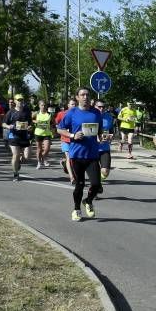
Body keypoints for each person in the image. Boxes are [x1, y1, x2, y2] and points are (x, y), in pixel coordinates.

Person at [56, 88, 103, 222]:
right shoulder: (72, 113)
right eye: (82, 95)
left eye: (87, 95)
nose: (85, 97)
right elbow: (60, 129)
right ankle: (76, 209)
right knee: (80, 185)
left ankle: (88, 201)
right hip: (77, 155)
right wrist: (72, 135)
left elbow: (99, 131)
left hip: (92, 155)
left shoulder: (96, 113)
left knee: (96, 184)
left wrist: (102, 137)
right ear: (77, 97)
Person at [3, 95, 33, 182]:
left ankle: (18, 162)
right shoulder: (11, 112)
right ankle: (15, 173)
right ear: (15, 101)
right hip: (14, 136)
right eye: (19, 100)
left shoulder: (26, 112)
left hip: (24, 136)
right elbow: (3, 124)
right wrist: (9, 126)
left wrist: (30, 127)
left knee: (27, 157)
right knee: (15, 155)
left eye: (22, 100)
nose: (20, 101)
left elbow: (30, 123)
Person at [55, 99, 77, 184]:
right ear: (68, 105)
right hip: (65, 139)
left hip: (74, 140)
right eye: (72, 104)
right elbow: (57, 124)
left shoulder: (78, 114)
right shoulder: (61, 114)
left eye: (75, 104)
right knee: (68, 157)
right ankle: (72, 177)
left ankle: (64, 164)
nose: (73, 106)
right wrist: (62, 128)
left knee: (73, 158)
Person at [95, 100, 116, 187]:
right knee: (94, 171)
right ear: (95, 106)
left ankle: (97, 182)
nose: (101, 109)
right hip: (93, 148)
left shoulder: (109, 117)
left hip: (105, 148)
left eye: (103, 107)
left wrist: (110, 136)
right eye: (99, 107)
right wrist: (95, 138)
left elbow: (111, 130)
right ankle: (95, 186)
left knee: (105, 172)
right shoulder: (91, 116)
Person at [33, 99, 54, 169]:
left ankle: (44, 158)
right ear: (39, 106)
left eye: (45, 105)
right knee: (39, 149)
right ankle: (39, 162)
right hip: (38, 133)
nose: (43, 106)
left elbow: (52, 123)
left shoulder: (49, 114)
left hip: (47, 133)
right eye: (42, 105)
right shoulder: (36, 113)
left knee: (47, 149)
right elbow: (30, 120)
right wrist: (35, 121)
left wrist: (53, 129)